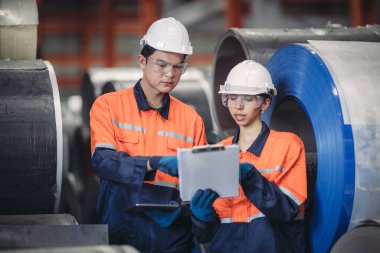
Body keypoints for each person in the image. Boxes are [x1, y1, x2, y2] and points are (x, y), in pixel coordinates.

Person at [89, 17, 207, 252]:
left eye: (178, 67)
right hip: (120, 233)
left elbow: (198, 184)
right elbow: (103, 161)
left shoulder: (191, 119)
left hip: (172, 237)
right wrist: (153, 164)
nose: (169, 74)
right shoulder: (108, 106)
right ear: (142, 61)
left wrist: (201, 215)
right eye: (161, 64)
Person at [190, 60, 308, 253]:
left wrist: (250, 177)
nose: (238, 106)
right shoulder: (218, 151)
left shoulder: (288, 145)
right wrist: (202, 217)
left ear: (265, 102)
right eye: (233, 97)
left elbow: (288, 209)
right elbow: (205, 236)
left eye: (248, 98)